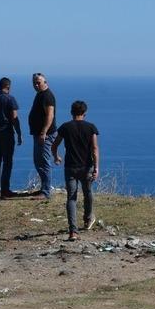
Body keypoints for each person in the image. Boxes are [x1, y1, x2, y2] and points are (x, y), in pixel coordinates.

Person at [52, 100, 100, 241]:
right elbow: (95, 149)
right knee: (87, 192)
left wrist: (56, 157)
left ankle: (73, 232)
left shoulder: (65, 127)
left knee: (71, 198)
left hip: (70, 167)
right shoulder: (91, 128)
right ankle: (88, 218)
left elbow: (54, 145)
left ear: (71, 112)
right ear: (85, 113)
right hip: (86, 167)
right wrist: (96, 168)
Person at [28, 73, 57, 200]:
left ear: (45, 82)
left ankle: (45, 192)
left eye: (38, 82)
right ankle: (43, 188)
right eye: (34, 82)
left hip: (45, 135)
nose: (36, 85)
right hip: (39, 134)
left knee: (44, 162)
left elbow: (50, 115)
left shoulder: (47, 96)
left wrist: (43, 132)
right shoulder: (40, 94)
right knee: (38, 161)